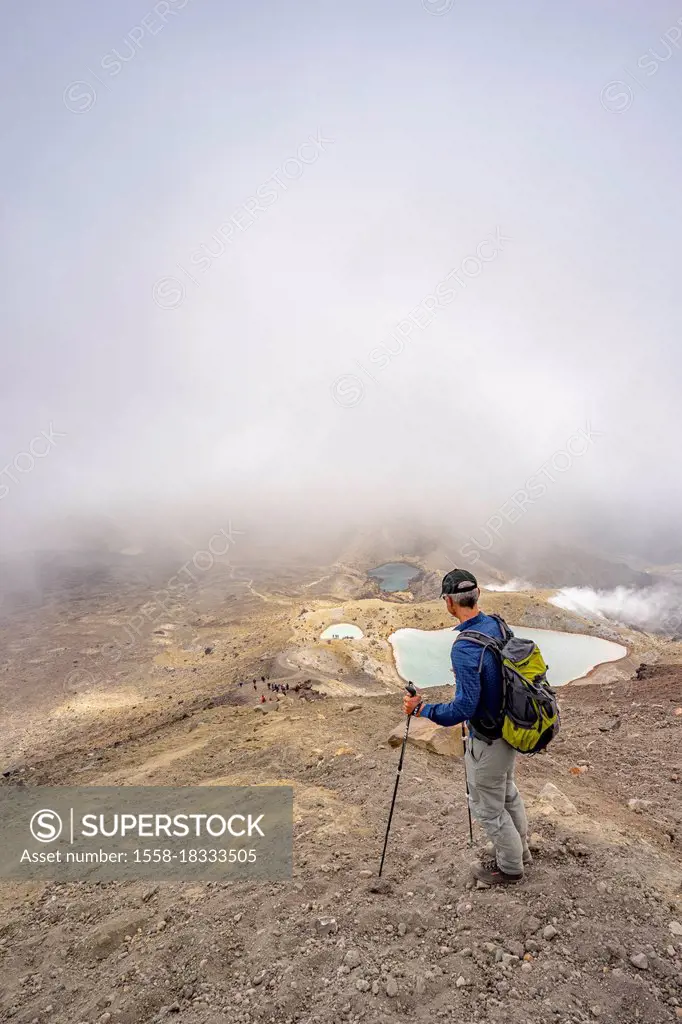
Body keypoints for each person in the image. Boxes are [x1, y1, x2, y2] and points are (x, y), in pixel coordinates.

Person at [403, 568, 530, 885]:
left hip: (487, 738)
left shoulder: (464, 647)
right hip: (511, 729)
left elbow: (463, 708)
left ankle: (510, 868)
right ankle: (521, 851)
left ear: (449, 602)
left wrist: (421, 708)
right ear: (477, 594)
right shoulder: (497, 624)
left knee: (488, 808)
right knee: (508, 795)